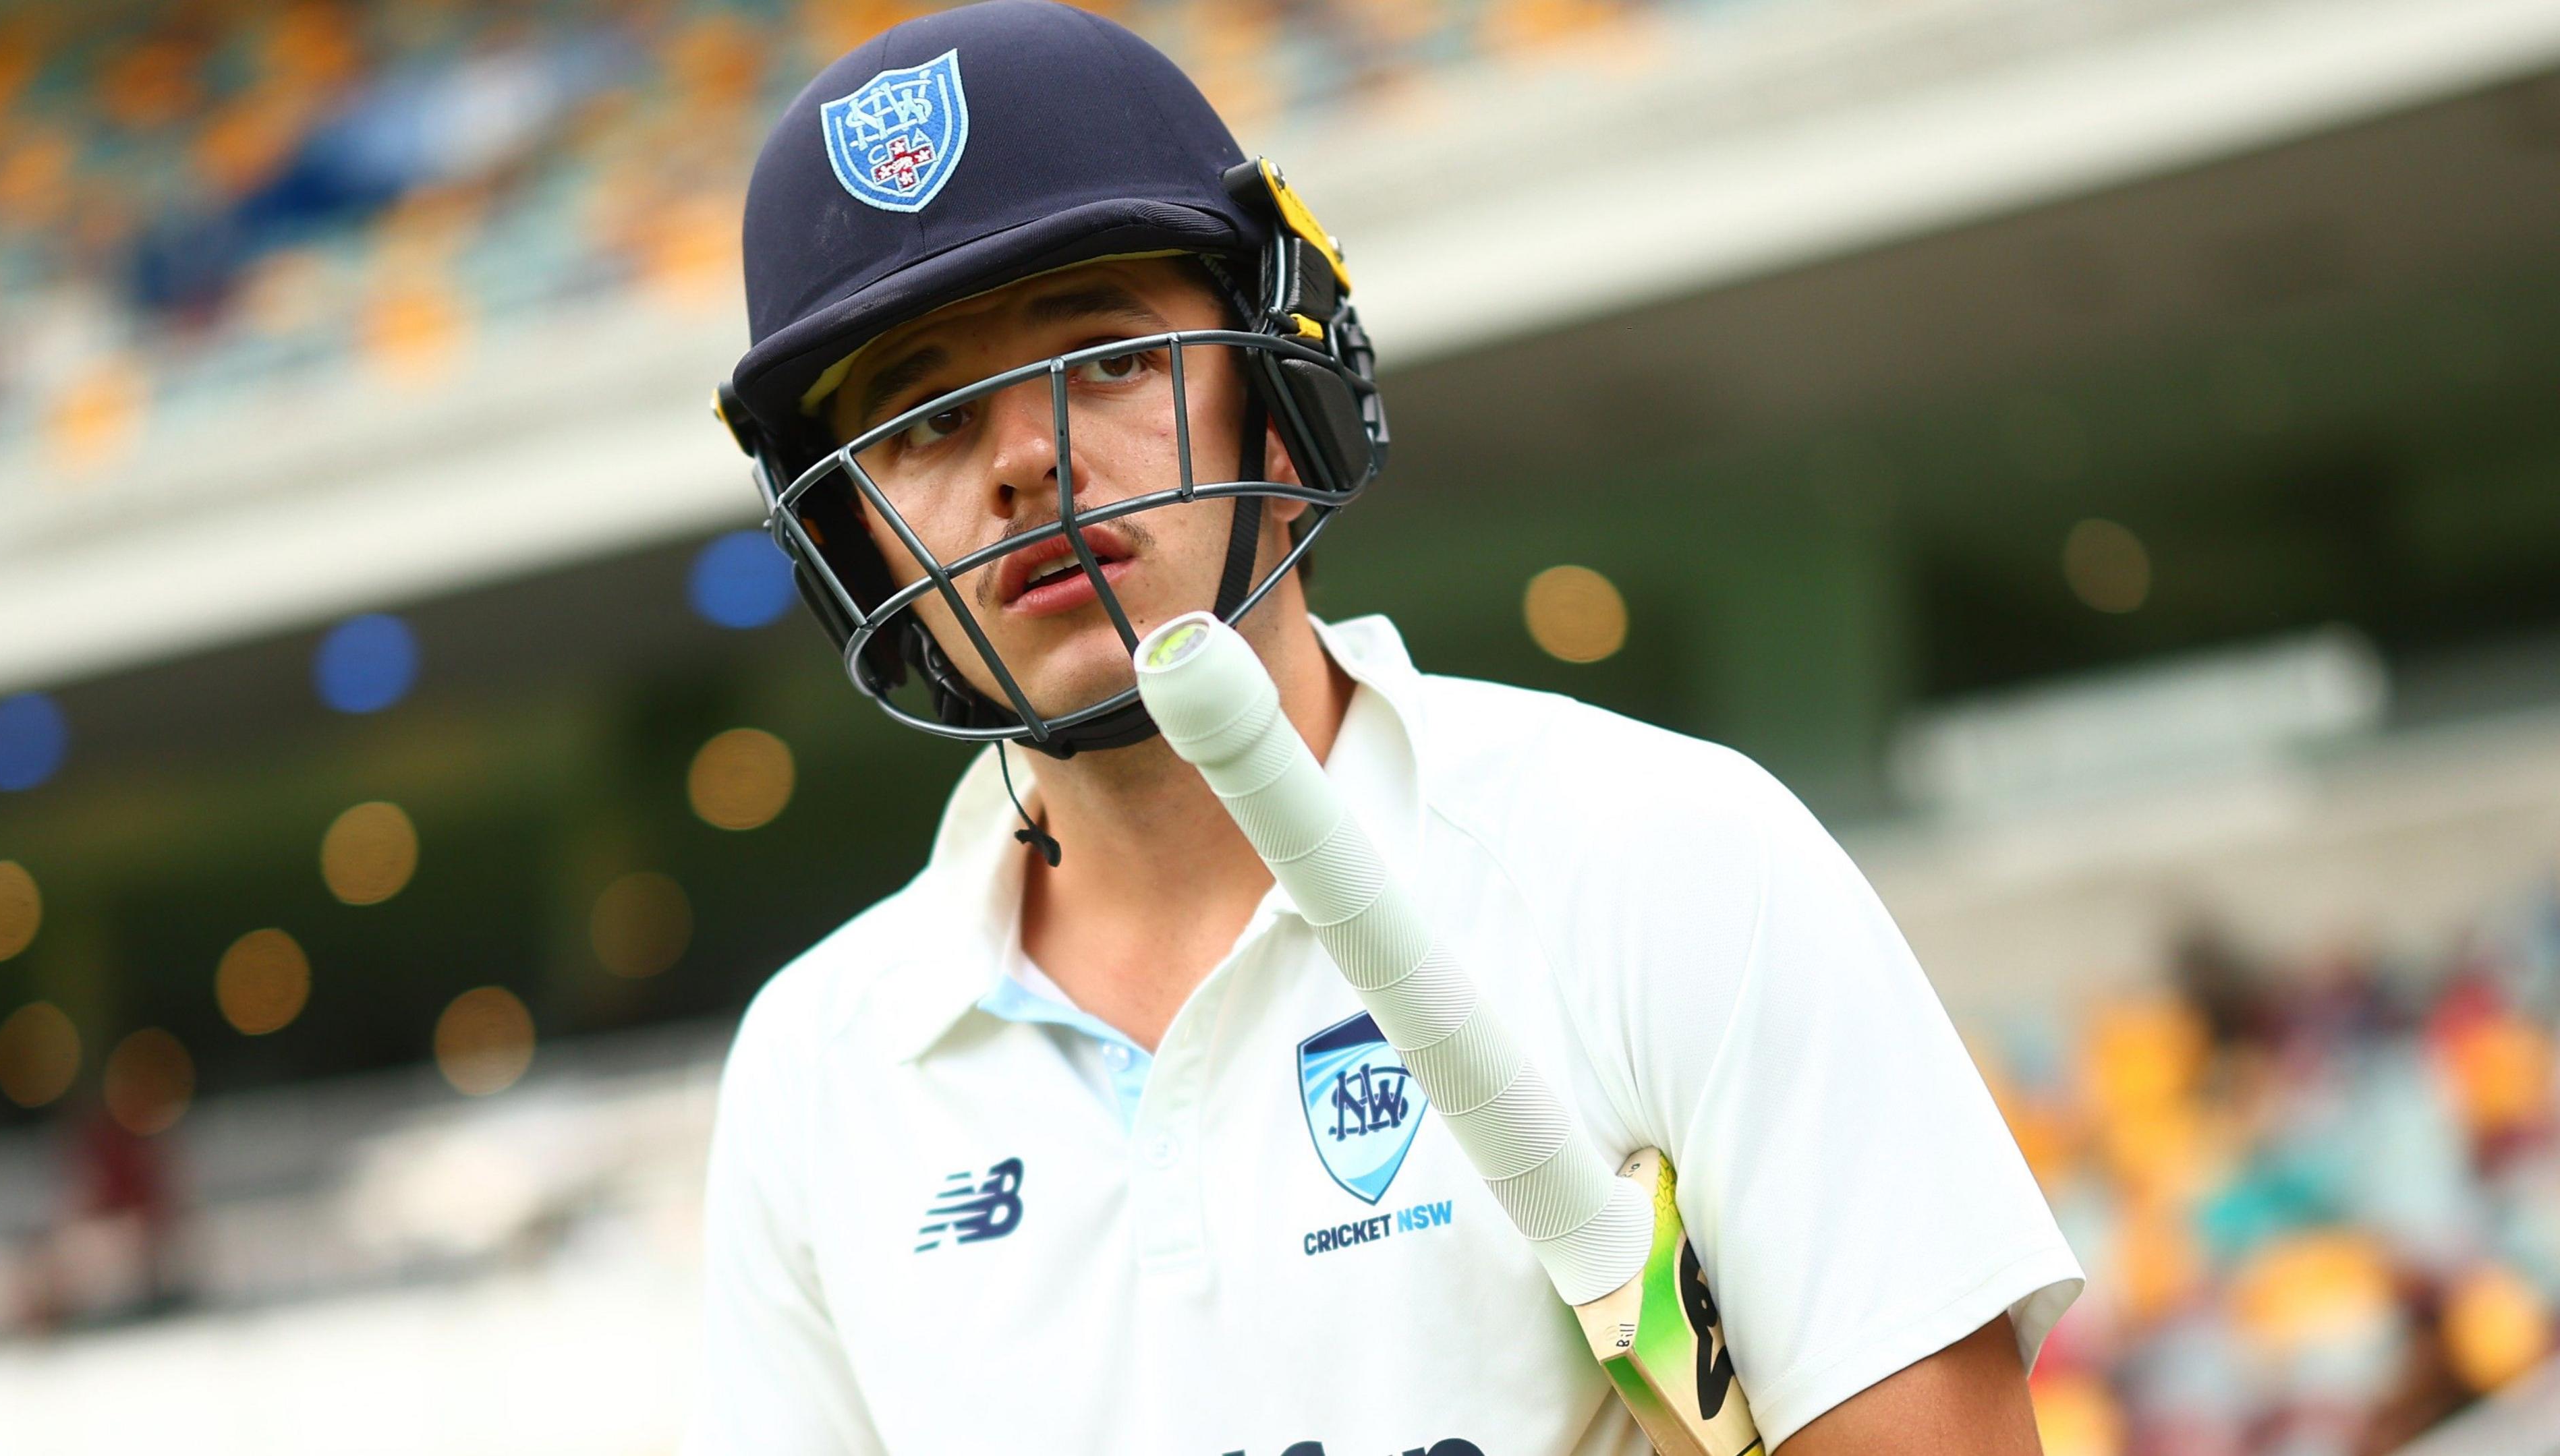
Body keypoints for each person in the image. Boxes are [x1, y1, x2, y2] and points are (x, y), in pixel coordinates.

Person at [691, 4, 2081, 1453]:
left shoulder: (1665, 859)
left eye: (1104, 357)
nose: (1025, 458)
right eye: (924, 420)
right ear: (852, 538)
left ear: (1276, 389)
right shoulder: (812, 1073)